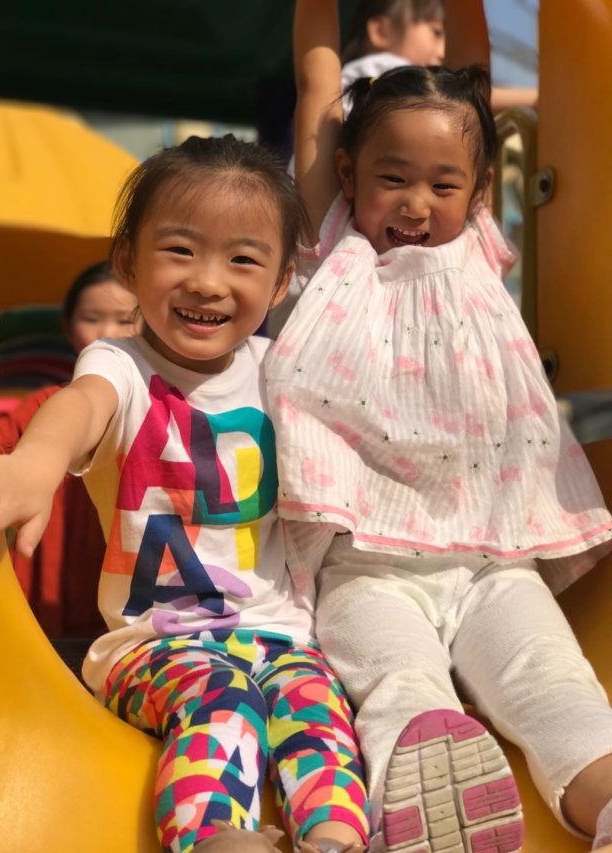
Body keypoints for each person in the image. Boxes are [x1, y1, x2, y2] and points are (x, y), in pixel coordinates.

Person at [265, 2, 612, 851]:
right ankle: (427, 799)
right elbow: (317, 80)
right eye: (392, 178)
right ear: (347, 176)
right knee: (401, 684)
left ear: (478, 190)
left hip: (494, 557)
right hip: (365, 563)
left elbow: (474, 63)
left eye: (443, 185)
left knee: (558, 686)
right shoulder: (336, 242)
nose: (417, 202)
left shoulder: (477, 243)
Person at [0, 134, 370, 853]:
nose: (207, 282)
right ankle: (214, 839)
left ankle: (336, 841)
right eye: (180, 251)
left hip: (282, 636)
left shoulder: (281, 369)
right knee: (224, 698)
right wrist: (36, 460)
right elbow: (81, 406)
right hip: (151, 647)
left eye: (242, 260)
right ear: (129, 261)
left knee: (321, 713)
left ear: (282, 280)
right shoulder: (120, 365)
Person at [0, 260, 139, 639]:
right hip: (47, 583)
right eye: (92, 318)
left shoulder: (157, 409)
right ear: (68, 326)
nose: (106, 333)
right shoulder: (43, 403)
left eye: (125, 320)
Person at [341, 0, 537, 114]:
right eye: (436, 33)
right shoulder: (375, 69)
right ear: (381, 32)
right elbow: (460, 97)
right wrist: (534, 99)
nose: (443, 52)